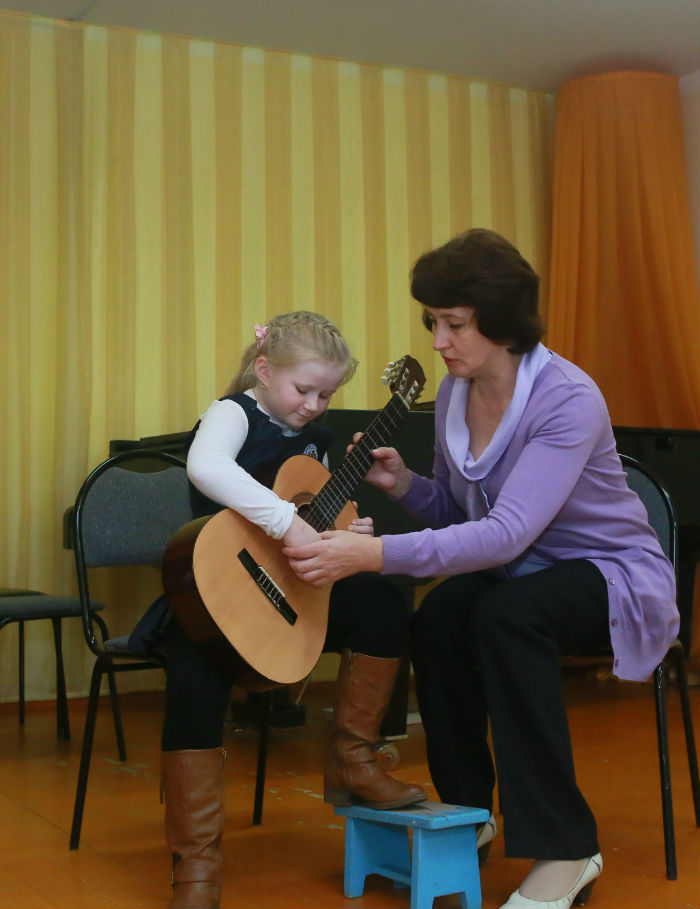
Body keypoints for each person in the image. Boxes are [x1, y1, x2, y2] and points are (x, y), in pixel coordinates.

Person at [283, 231, 679, 909]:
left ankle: (568, 847)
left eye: (455, 324)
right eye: (433, 322)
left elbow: (504, 534)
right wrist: (406, 484)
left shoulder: (567, 398)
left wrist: (374, 554)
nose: (439, 340)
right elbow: (461, 511)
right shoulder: (455, 392)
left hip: (611, 575)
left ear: (503, 322)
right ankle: (469, 814)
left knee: (504, 616)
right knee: (439, 618)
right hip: (521, 570)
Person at [138, 310, 426, 909]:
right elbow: (207, 468)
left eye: (327, 394)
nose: (314, 405)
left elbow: (317, 516)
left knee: (381, 598)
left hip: (290, 591)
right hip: (215, 590)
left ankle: (352, 759)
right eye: (304, 390)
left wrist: (347, 529)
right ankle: (196, 862)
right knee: (195, 672)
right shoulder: (233, 413)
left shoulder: (315, 439)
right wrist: (289, 523)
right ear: (265, 370)